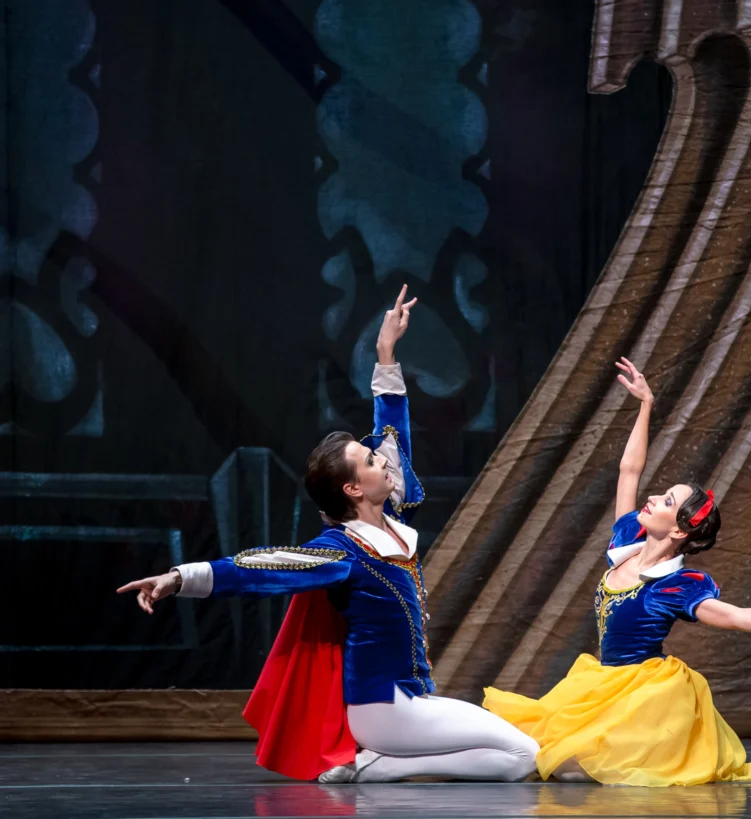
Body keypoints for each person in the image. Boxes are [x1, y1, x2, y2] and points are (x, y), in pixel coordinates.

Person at [118, 286, 538, 784]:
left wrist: (386, 353)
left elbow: (392, 433)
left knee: (518, 755)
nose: (383, 461)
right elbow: (262, 567)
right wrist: (178, 577)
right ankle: (377, 768)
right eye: (370, 461)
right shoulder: (344, 551)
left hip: (410, 699)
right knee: (522, 754)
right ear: (353, 488)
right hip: (383, 707)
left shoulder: (390, 520)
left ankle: (376, 765)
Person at [482, 357, 751, 787]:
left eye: (667, 501)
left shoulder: (676, 586)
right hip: (600, 685)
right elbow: (629, 470)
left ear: (680, 530)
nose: (652, 498)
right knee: (531, 748)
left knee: (558, 765)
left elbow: (735, 615)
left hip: (642, 696)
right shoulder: (626, 539)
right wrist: (645, 405)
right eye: (663, 494)